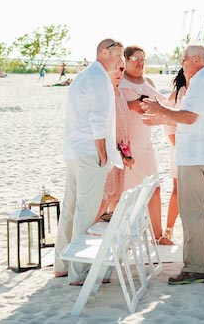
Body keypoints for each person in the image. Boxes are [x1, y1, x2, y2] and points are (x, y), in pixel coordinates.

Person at [140, 44, 204, 286]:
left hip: (195, 155)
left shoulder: (201, 80)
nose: (182, 65)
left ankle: (194, 268)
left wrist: (161, 108)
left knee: (191, 213)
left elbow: (190, 116)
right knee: (202, 211)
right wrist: (162, 118)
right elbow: (195, 118)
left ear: (196, 59)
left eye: (184, 60)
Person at [53, 39, 124, 283]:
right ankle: (79, 271)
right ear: (104, 52)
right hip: (89, 151)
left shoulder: (85, 76)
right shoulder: (100, 78)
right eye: (118, 54)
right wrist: (103, 152)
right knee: (86, 209)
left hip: (74, 149)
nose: (120, 59)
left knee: (71, 206)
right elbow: (97, 119)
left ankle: (61, 263)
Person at [118, 45, 169, 243]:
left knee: (154, 187)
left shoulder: (148, 82)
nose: (140, 63)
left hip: (145, 143)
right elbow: (114, 108)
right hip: (126, 143)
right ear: (126, 60)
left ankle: (158, 234)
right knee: (125, 192)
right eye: (135, 59)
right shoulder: (119, 81)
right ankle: (123, 235)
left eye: (143, 59)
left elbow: (161, 107)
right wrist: (132, 105)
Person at [97, 55, 134, 221]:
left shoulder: (119, 93)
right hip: (110, 151)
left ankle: (113, 235)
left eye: (123, 69)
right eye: (117, 69)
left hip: (122, 151)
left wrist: (128, 152)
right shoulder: (105, 93)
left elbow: (125, 125)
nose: (120, 73)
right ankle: (86, 233)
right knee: (106, 197)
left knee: (118, 195)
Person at [160, 67, 188, 244]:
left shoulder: (190, 92)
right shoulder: (178, 94)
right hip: (179, 148)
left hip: (188, 149)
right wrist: (180, 147)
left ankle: (173, 230)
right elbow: (168, 125)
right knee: (178, 190)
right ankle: (169, 229)